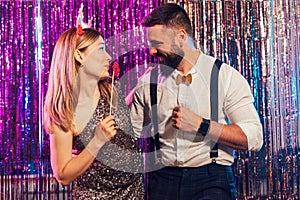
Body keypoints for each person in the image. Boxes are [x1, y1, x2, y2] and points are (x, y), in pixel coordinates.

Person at [130, 3, 263, 200]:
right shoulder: (148, 81)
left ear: (181, 36)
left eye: (157, 44)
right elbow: (129, 131)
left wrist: (203, 125)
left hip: (211, 179)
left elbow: (253, 137)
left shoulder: (223, 76)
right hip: (162, 180)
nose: (151, 52)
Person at [43, 23, 144, 198]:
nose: (108, 57)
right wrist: (97, 140)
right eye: (100, 50)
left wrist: (139, 89)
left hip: (134, 192)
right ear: (79, 56)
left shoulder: (110, 88)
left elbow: (117, 118)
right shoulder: (65, 110)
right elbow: (63, 176)